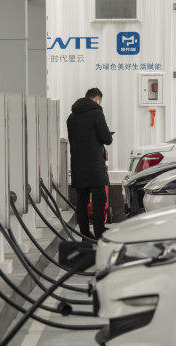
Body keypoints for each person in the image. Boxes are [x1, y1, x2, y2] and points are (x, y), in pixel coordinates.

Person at [66, 88, 113, 240]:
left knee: (82, 200)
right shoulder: (97, 113)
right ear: (97, 100)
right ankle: (99, 233)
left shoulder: (71, 117)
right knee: (99, 199)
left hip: (77, 165)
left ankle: (85, 233)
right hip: (94, 165)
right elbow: (107, 139)